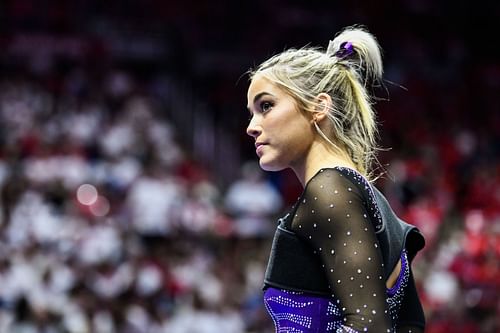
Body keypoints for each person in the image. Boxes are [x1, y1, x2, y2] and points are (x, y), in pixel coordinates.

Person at [246, 25, 426, 333]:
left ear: (318, 106)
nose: (252, 126)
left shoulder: (330, 191)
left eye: (266, 106)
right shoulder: (349, 191)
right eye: (252, 112)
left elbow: (369, 327)